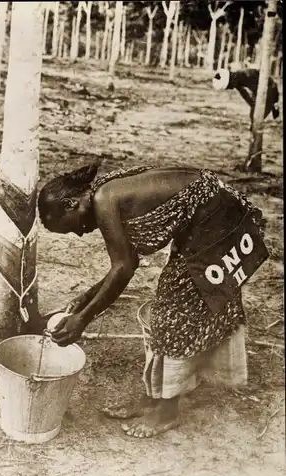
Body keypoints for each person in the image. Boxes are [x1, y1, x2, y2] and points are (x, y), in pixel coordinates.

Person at [38, 164, 268, 438]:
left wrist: (82, 320)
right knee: (169, 306)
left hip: (218, 221)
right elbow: (130, 260)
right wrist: (85, 299)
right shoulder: (102, 192)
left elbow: (122, 268)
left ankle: (166, 412)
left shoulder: (103, 200)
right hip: (206, 216)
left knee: (175, 315)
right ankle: (154, 396)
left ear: (70, 204)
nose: (79, 234)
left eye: (69, 228)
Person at [213, 68, 279, 131]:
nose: (231, 88)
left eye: (229, 86)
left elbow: (265, 87)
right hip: (262, 92)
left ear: (230, 80)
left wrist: (274, 103)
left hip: (269, 90)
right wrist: (253, 106)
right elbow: (245, 95)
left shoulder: (247, 75)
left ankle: (256, 137)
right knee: (253, 117)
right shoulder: (237, 80)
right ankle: (254, 134)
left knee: (256, 118)